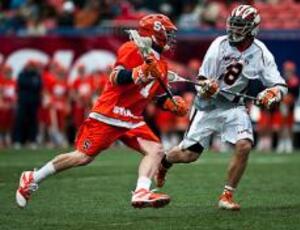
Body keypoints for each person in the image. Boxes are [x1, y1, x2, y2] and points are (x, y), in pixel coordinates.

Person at [16, 14, 188, 209]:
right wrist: (139, 72)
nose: (171, 39)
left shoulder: (162, 65)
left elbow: (157, 96)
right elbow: (116, 77)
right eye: (168, 34)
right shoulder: (132, 49)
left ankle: (141, 191)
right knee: (82, 157)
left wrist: (172, 105)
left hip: (132, 119)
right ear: (156, 33)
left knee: (156, 150)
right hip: (110, 113)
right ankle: (33, 177)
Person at [155, 5, 288, 210]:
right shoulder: (219, 44)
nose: (234, 30)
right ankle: (164, 163)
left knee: (244, 145)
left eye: (240, 26)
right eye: (233, 25)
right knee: (188, 155)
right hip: (208, 106)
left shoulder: (261, 52)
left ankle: (226, 196)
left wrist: (272, 93)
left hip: (234, 107)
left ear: (252, 29)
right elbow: (201, 78)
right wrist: (207, 87)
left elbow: (279, 84)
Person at [13, 60, 43, 149]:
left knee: (33, 122)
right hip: (23, 102)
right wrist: (32, 84)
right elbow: (23, 84)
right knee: (20, 121)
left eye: (33, 66)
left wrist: (32, 85)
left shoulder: (37, 75)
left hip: (34, 102)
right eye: (30, 66)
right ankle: (18, 141)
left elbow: (39, 86)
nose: (31, 67)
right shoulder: (22, 74)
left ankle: (32, 140)